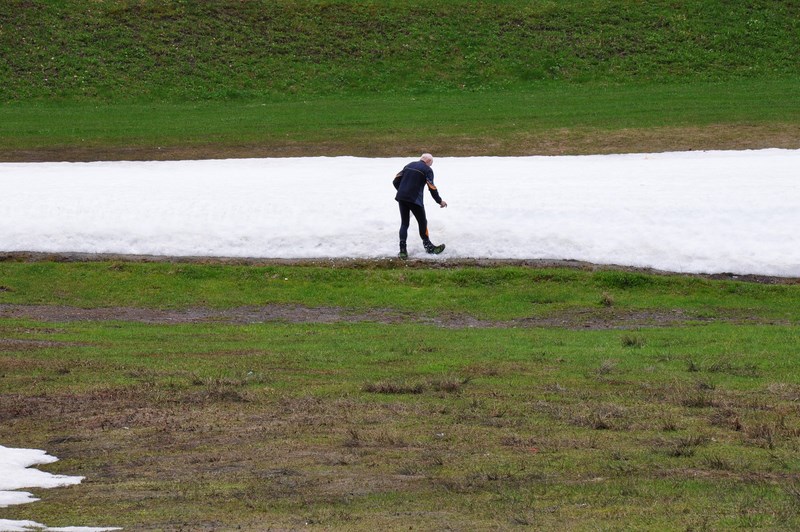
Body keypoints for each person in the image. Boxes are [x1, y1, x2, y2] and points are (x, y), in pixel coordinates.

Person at [392, 153, 447, 259]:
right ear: (429, 161)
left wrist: (402, 191)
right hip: (415, 200)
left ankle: (403, 251)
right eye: (431, 163)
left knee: (404, 223)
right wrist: (439, 201)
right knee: (422, 222)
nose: (431, 165)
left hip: (402, 198)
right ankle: (429, 247)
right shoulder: (427, 170)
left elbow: (395, 180)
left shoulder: (408, 165)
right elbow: (432, 187)